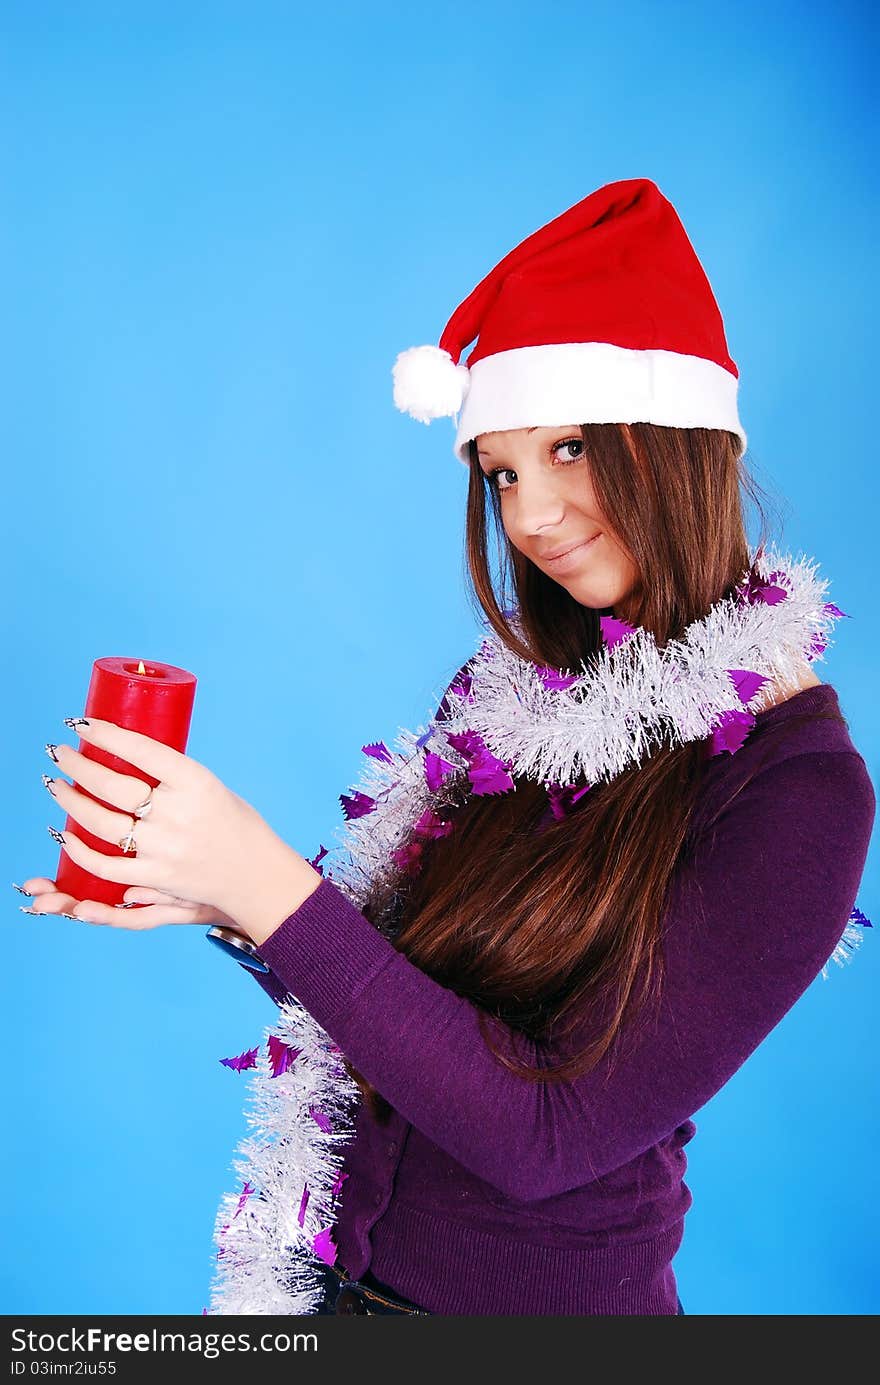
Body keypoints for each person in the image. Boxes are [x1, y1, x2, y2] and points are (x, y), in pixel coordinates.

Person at [19, 178, 874, 1317]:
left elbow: (545, 1131)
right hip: (331, 1291)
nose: (528, 516)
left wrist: (270, 886)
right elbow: (408, 994)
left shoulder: (796, 790)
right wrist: (214, 889)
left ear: (680, 441)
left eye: (569, 448)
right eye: (501, 471)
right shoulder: (513, 696)